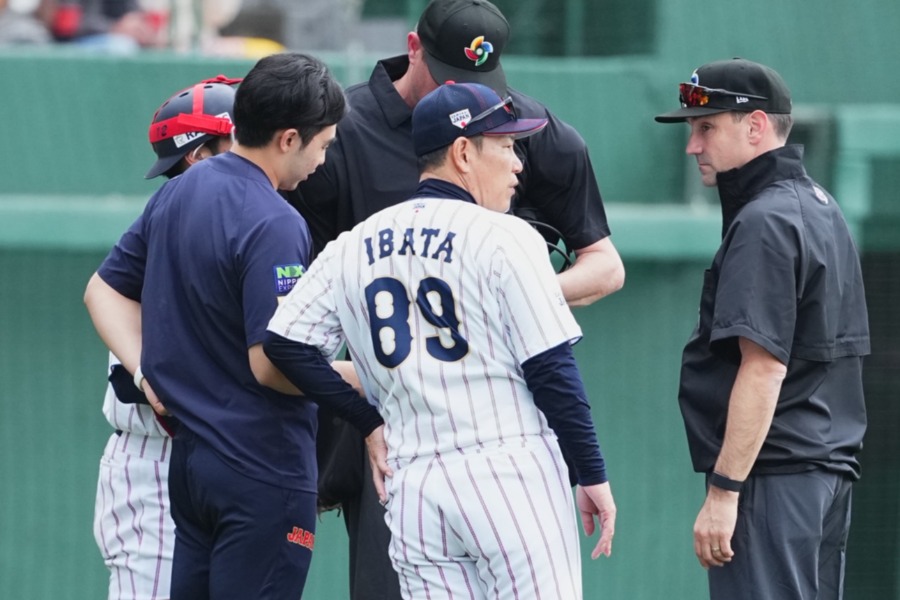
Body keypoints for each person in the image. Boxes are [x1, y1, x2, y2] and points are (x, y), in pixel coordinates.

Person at [282, 1, 625, 596]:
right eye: (503, 147)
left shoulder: (357, 245)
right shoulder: (501, 235)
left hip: (415, 461)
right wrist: (589, 470)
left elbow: (283, 344)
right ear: (464, 152)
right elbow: (552, 368)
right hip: (483, 455)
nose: (515, 160)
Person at [84, 52, 382, 599]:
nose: (324, 160)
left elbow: (101, 289)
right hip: (260, 470)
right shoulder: (275, 220)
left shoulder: (178, 190)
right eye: (323, 144)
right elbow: (270, 365)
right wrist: (364, 381)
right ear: (289, 138)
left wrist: (147, 372)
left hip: (192, 470)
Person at [655, 57, 870, 599]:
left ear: (755, 126)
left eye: (706, 127)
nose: (693, 146)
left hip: (773, 477)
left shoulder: (765, 221)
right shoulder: (820, 205)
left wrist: (725, 491)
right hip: (821, 474)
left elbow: (764, 366)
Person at [91, 75, 239, 600]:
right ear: (200, 155)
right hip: (155, 462)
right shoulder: (174, 219)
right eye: (242, 137)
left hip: (213, 463)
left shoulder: (231, 217)